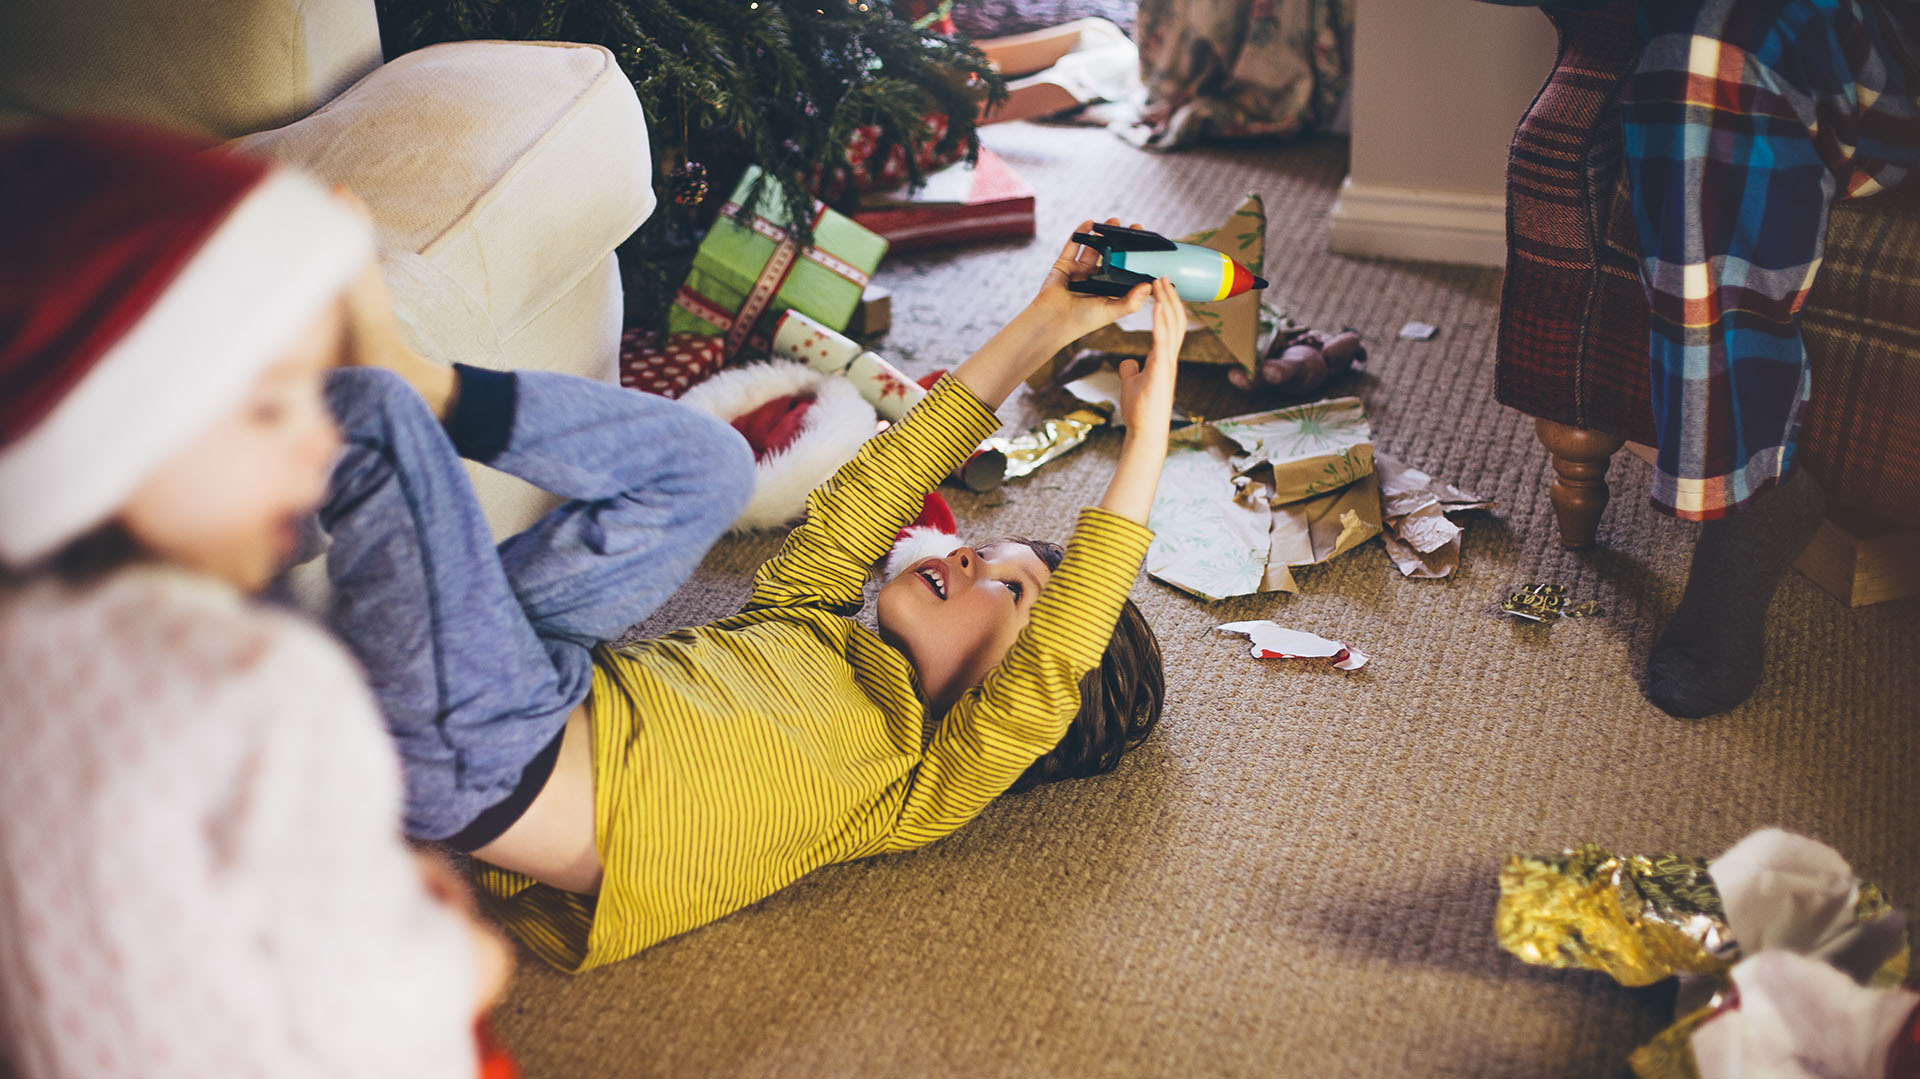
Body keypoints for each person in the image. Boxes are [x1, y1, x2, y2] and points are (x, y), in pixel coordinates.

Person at [319, 224, 1178, 972]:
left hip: (493, 747)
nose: (963, 554)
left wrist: (1148, 436)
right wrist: (1048, 320)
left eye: (1012, 588)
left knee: (374, 424)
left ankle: (337, 429)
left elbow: (1062, 652)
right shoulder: (809, 617)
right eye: (980, 545)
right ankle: (427, 385)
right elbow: (881, 482)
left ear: (1023, 687)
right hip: (550, 666)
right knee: (712, 466)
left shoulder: (916, 779)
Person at [0, 119, 512, 1076]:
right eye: (271, 404)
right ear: (113, 429)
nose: (322, 443)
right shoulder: (264, 683)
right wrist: (463, 965)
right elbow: (361, 1007)